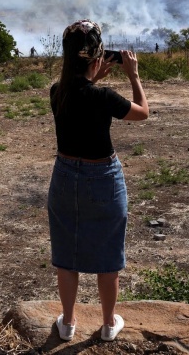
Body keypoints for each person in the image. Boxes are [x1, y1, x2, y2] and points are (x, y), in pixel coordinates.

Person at [48, 19, 149, 342]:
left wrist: (93, 76)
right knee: (107, 255)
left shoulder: (57, 92)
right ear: (96, 57)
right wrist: (133, 76)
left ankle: (67, 322)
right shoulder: (103, 97)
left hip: (64, 175)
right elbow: (142, 112)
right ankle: (108, 324)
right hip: (102, 177)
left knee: (67, 253)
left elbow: (79, 92)